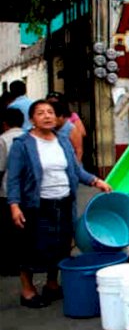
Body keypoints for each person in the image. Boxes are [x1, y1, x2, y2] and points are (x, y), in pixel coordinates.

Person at [7, 100, 112, 308]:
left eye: (50, 112)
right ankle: (27, 290)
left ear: (56, 118)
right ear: (31, 120)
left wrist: (96, 181)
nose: (46, 116)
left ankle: (52, 284)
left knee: (61, 245)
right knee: (31, 247)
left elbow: (75, 170)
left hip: (63, 202)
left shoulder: (62, 141)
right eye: (40, 113)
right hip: (36, 205)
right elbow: (13, 178)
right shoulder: (23, 144)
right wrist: (14, 205)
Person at [0, 109, 25, 276]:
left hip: (8, 191)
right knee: (25, 229)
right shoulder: (29, 137)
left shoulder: (2, 139)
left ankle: (11, 265)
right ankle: (26, 263)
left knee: (8, 231)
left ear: (4, 123)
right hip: (27, 191)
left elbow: (0, 167)